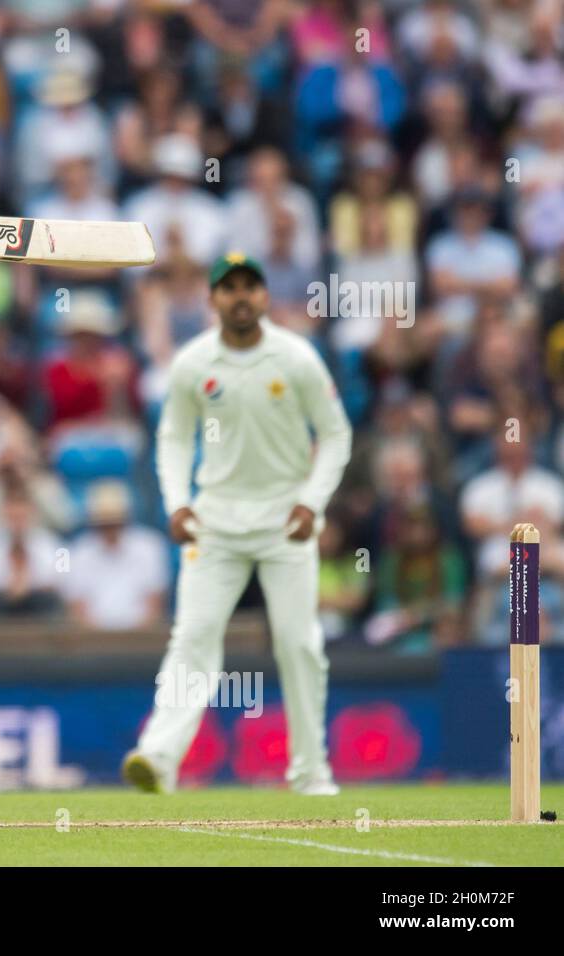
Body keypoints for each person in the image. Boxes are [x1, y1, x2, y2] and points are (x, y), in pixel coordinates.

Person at [122, 252, 352, 796]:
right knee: (193, 637)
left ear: (265, 296)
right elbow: (174, 438)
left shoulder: (296, 358)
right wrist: (178, 503)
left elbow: (337, 435)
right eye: (230, 289)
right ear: (213, 299)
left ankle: (311, 771)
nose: (241, 297)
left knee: (298, 645)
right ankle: (158, 756)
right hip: (216, 520)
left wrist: (311, 504)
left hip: (285, 519)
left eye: (250, 286)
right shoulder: (193, 363)